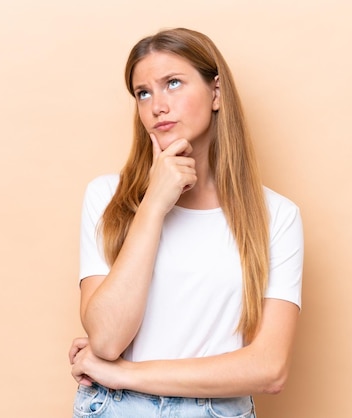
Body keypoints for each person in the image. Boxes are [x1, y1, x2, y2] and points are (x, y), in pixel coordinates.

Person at [69, 27, 303, 417]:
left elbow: (269, 369)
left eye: (172, 83)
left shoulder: (276, 216)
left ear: (216, 92)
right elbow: (107, 340)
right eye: (143, 93)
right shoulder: (107, 197)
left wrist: (126, 374)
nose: (157, 105)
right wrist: (153, 205)